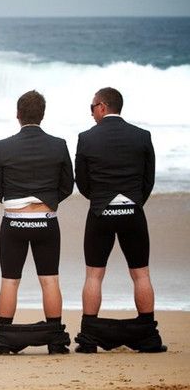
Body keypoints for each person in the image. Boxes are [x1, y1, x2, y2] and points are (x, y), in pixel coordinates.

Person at [74, 87, 166, 353]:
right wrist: (133, 202)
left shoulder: (86, 138)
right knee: (141, 274)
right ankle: (148, 335)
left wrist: (101, 199)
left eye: (91, 107)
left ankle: (89, 338)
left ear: (102, 106)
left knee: (94, 274)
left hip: (100, 212)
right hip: (133, 212)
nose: (91, 112)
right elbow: (149, 179)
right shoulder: (141, 136)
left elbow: (82, 182)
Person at [0, 90, 73, 355]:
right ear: (42, 115)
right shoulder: (58, 145)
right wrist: (47, 201)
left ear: (18, 115)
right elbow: (67, 186)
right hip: (46, 221)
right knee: (49, 280)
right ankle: (56, 340)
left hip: (14, 221)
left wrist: (13, 201)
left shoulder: (4, 145)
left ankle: (3, 338)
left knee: (10, 281)